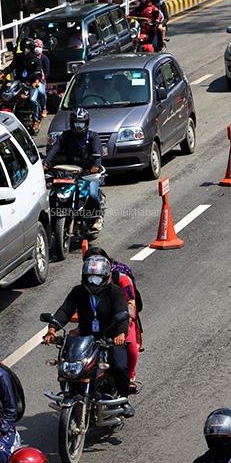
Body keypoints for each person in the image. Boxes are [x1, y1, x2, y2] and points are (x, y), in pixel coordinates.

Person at [42, 255, 134, 418]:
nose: (93, 282)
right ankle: (69, 392)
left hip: (110, 337)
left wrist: (120, 333)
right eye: (90, 278)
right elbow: (65, 311)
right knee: (67, 363)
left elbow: (122, 313)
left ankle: (123, 399)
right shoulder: (78, 292)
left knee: (120, 366)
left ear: (105, 277)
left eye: (97, 278)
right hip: (85, 337)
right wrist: (52, 329)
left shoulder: (115, 292)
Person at [83, 245, 143, 394]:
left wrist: (125, 326)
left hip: (122, 321)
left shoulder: (122, 278)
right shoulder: (88, 280)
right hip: (99, 321)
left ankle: (129, 379)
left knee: (132, 349)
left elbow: (131, 303)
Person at [44, 108, 105, 228]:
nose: (78, 126)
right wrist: (46, 163)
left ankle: (97, 216)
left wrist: (96, 165)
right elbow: (55, 148)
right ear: (72, 123)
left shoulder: (93, 136)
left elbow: (98, 153)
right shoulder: (66, 135)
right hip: (70, 171)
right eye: (76, 123)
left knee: (92, 194)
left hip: (87, 172)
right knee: (53, 193)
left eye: (81, 123)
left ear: (86, 123)